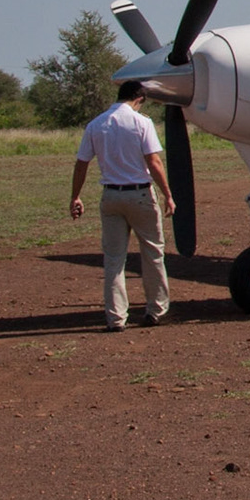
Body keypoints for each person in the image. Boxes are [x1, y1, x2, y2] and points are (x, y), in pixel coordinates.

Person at [68, 80, 174, 330]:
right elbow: (154, 162)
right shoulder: (142, 123)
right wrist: (168, 194)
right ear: (139, 99)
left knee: (114, 259)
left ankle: (116, 317)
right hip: (140, 195)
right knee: (152, 254)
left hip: (111, 197)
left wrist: (75, 196)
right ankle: (156, 309)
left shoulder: (96, 124)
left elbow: (81, 163)